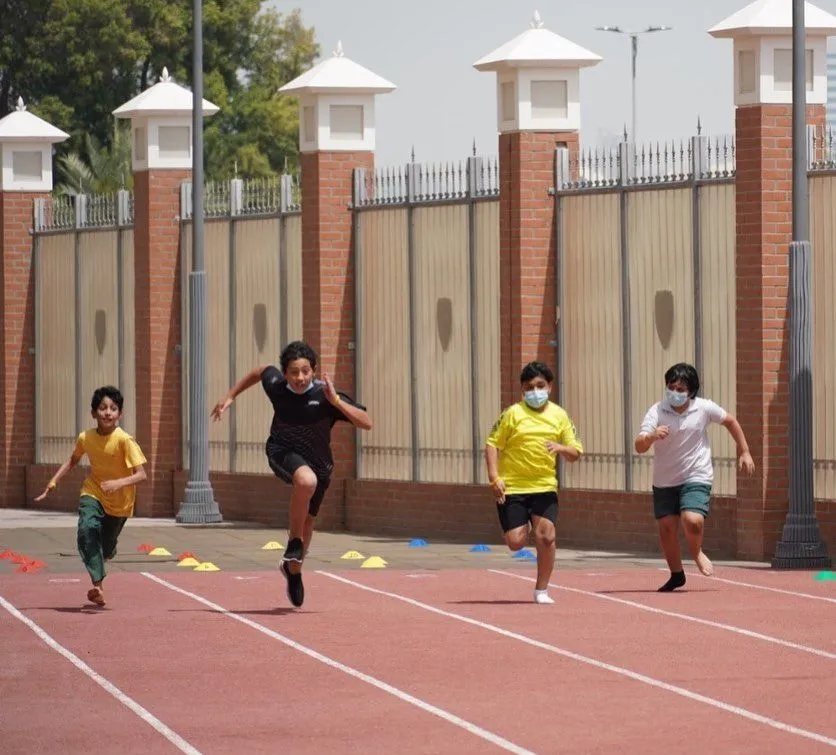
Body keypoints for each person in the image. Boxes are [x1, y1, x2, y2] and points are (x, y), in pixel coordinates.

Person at [211, 340, 372, 608]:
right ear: (285, 373)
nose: (300, 378)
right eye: (294, 372)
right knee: (305, 481)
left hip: (320, 464)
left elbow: (367, 423)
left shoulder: (326, 396)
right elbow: (260, 371)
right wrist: (230, 395)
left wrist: (336, 402)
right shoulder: (276, 386)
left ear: (315, 371)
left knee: (309, 520)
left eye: (306, 371)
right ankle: (294, 542)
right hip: (282, 452)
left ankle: (293, 571)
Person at [635, 362, 755, 592]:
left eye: (681, 389)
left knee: (693, 520)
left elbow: (730, 421)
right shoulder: (657, 411)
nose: (675, 393)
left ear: (691, 391)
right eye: (672, 387)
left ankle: (697, 552)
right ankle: (677, 575)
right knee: (667, 528)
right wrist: (651, 436)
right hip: (665, 480)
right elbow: (639, 446)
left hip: (696, 474)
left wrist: (745, 451)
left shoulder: (703, 408)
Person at [34, 386, 147, 607]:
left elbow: (142, 475)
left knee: (105, 547)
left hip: (120, 504)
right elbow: (73, 460)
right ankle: (98, 587)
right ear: (93, 412)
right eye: (102, 408)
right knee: (87, 530)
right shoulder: (85, 438)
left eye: (113, 409)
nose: (108, 413)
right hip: (93, 492)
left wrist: (118, 483)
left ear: (120, 414)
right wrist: (53, 482)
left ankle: (108, 551)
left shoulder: (124, 440)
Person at [485, 361, 583, 604]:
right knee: (516, 542)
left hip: (544, 487)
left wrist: (561, 447)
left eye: (540, 386)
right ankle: (520, 523)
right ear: (522, 391)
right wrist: (494, 478)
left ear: (549, 387)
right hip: (514, 488)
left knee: (547, 536)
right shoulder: (512, 414)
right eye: (529, 387)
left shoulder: (559, 415)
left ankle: (542, 590)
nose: (535, 391)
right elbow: (492, 444)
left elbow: (576, 452)